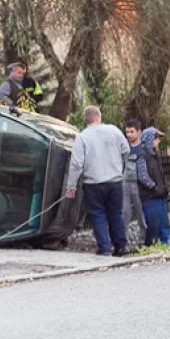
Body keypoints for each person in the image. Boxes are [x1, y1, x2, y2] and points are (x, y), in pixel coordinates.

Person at [65, 106, 133, 256]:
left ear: (86, 120)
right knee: (115, 213)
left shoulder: (82, 137)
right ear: (98, 116)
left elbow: (76, 164)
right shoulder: (114, 130)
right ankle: (121, 245)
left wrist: (71, 186)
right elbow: (126, 150)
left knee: (98, 214)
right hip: (114, 181)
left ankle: (104, 248)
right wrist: (120, 167)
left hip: (93, 183)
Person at [137, 127, 170, 246]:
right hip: (150, 197)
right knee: (152, 225)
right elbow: (142, 175)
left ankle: (166, 244)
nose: (158, 141)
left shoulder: (155, 155)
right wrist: (154, 188)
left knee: (164, 223)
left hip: (160, 196)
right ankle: (151, 246)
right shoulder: (142, 155)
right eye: (157, 138)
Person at [122, 119, 148, 246]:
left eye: (131, 132)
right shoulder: (123, 147)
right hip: (124, 184)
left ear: (139, 132)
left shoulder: (144, 148)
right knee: (124, 213)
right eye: (127, 132)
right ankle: (123, 242)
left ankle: (143, 240)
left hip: (139, 185)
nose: (129, 135)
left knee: (141, 213)